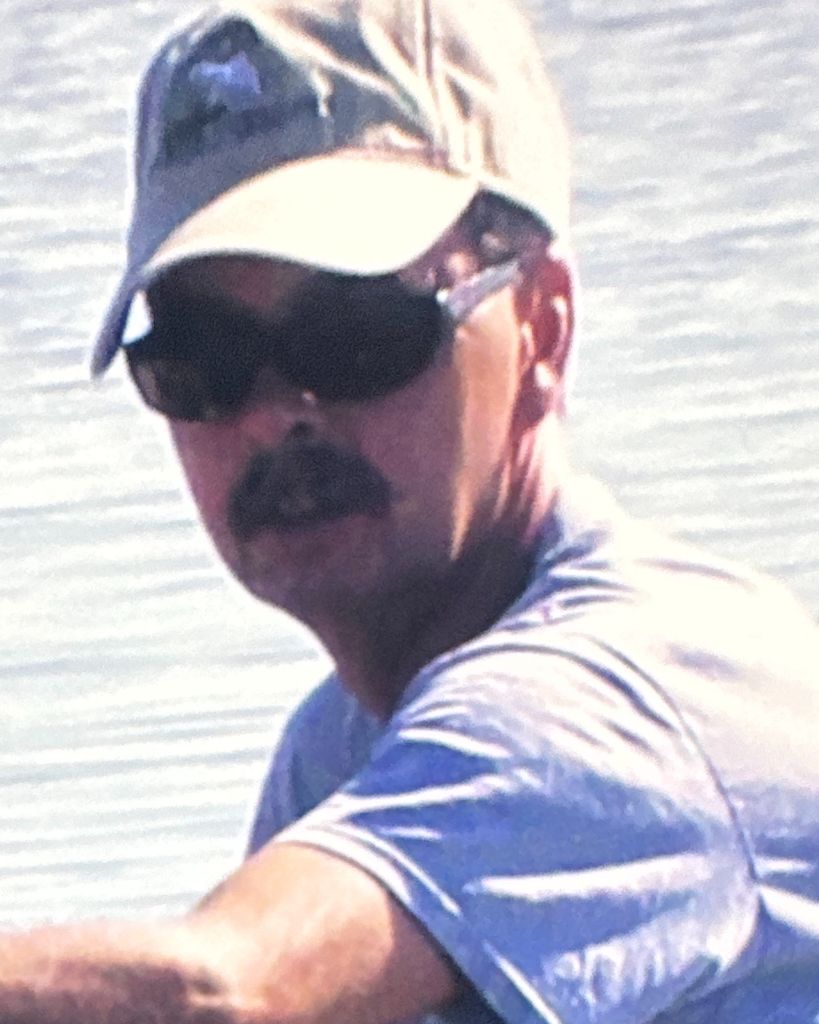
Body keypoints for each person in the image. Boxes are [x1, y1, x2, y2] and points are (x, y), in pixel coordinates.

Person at [3, 0, 819, 1020]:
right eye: (202, 359)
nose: (277, 416)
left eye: (358, 333)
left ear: (543, 328)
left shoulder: (615, 701)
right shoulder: (341, 755)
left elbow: (225, 995)